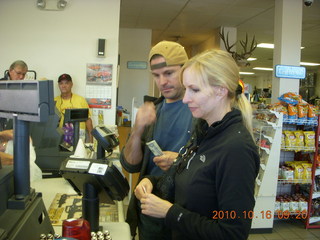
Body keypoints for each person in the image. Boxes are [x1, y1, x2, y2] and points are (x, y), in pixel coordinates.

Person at [134, 49, 260, 240]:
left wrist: (170, 212)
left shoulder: (237, 149)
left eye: (195, 90)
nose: (185, 99)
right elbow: (190, 180)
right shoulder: (204, 132)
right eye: (186, 90)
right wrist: (152, 181)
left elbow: (233, 233)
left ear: (220, 90)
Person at [119, 41, 193, 239]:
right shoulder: (153, 111)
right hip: (150, 213)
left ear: (185, 70)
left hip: (186, 212)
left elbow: (214, 162)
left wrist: (179, 160)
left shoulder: (200, 112)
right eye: (156, 75)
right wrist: (138, 129)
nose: (162, 82)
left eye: (169, 73)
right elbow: (130, 165)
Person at [54, 73, 93, 144]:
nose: (63, 86)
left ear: (71, 84)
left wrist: (91, 141)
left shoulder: (80, 100)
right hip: (61, 135)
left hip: (79, 135)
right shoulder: (55, 101)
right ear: (58, 85)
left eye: (66, 83)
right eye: (61, 83)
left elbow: (88, 120)